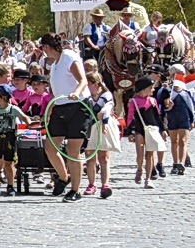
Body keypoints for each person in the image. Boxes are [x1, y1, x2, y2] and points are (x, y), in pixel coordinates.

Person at [40, 34, 91, 199]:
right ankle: (63, 177)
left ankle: (76, 190)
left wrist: (76, 93)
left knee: (73, 149)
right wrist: (49, 110)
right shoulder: (54, 64)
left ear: (47, 47)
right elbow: (56, 91)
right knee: (50, 147)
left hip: (78, 106)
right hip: (60, 107)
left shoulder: (69, 56)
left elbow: (83, 80)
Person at [82, 59, 119, 199]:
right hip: (90, 126)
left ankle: (105, 184)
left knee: (103, 157)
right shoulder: (87, 96)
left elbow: (107, 109)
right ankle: (92, 184)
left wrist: (104, 121)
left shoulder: (106, 95)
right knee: (90, 156)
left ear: (95, 84)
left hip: (103, 125)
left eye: (88, 84)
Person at [123, 75, 166, 187]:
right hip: (139, 129)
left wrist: (163, 130)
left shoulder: (152, 101)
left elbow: (157, 117)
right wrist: (131, 132)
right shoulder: (134, 101)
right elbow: (130, 117)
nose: (153, 90)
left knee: (150, 154)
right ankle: (139, 169)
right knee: (140, 154)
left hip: (151, 129)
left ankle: (148, 178)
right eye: (151, 88)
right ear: (144, 88)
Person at [0, 84, 27, 197]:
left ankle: (10, 186)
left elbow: (24, 117)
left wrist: (30, 123)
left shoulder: (13, 109)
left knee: (9, 163)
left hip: (10, 138)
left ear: (3, 97)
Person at [165, 64, 194, 175]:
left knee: (183, 141)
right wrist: (168, 105)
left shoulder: (188, 90)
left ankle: (181, 163)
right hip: (172, 117)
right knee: (174, 141)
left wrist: (192, 120)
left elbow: (191, 105)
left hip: (184, 117)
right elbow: (162, 107)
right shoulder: (167, 90)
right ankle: (175, 162)